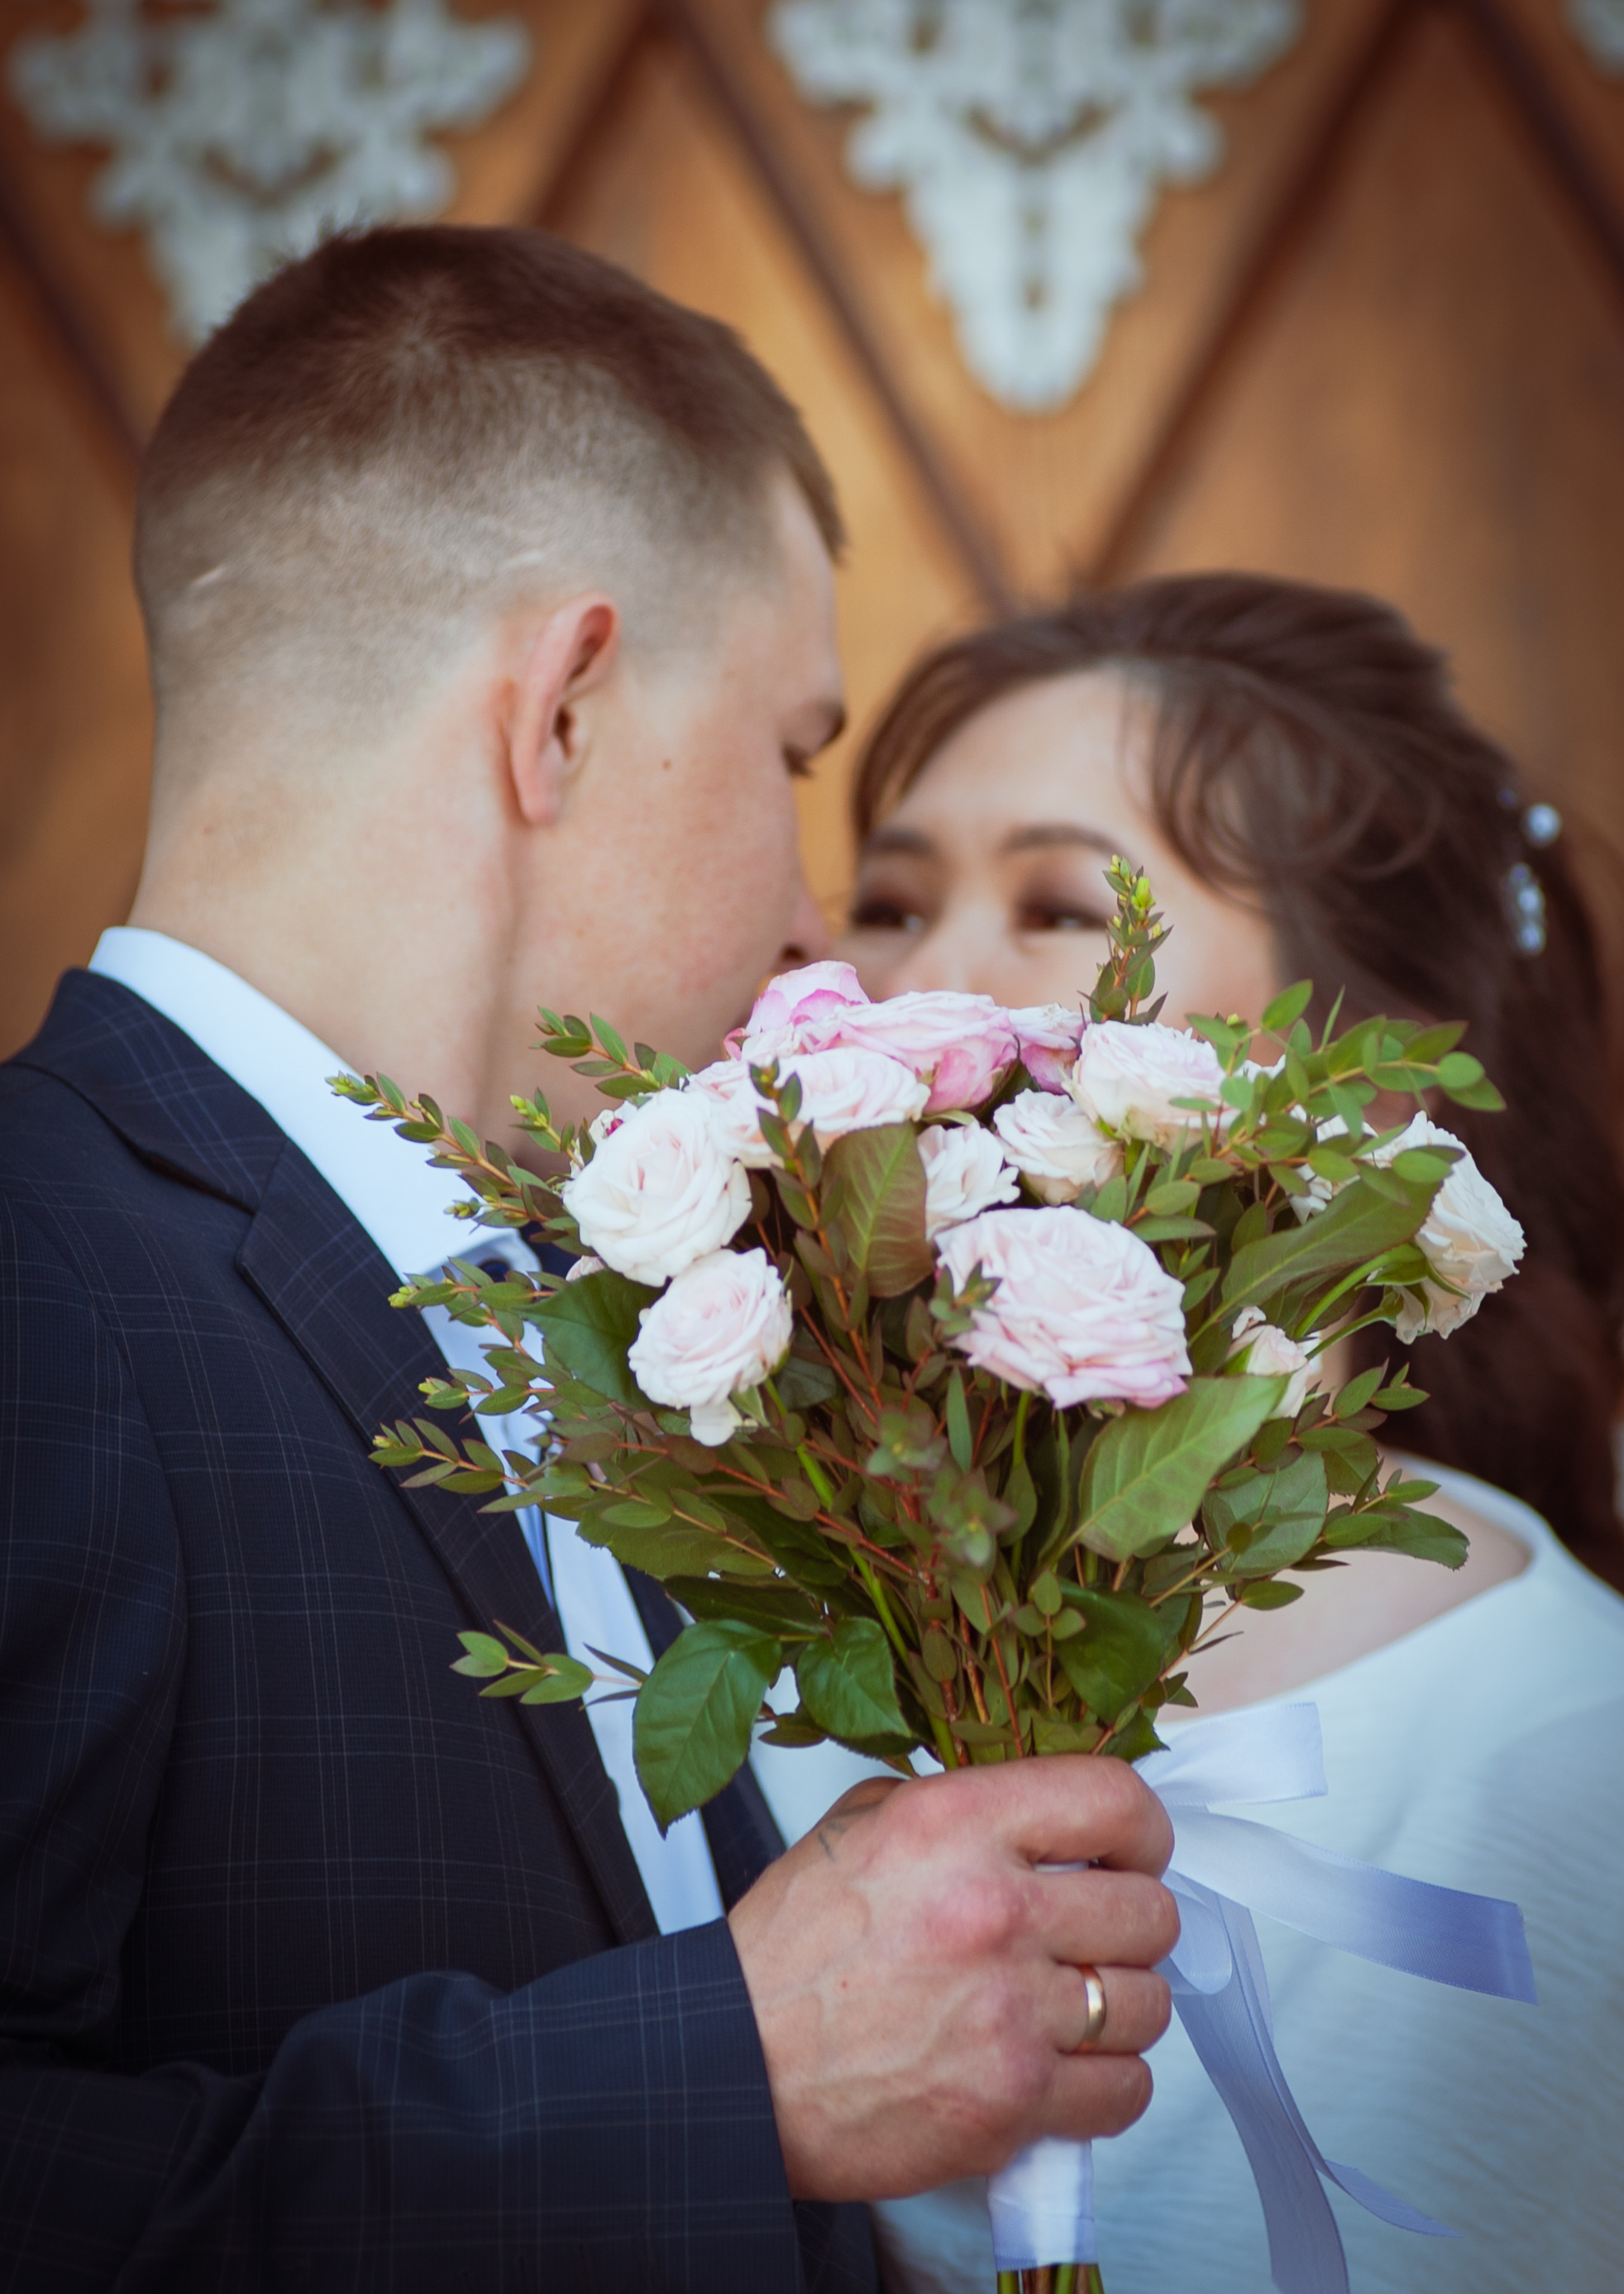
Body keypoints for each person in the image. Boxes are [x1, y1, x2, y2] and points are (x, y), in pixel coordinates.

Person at [0, 229, 1181, 2291]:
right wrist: (729, 2064)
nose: (820, 921)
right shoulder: (38, 1273)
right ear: (561, 712)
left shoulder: (587, 1326)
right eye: (793, 758)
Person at [836, 571, 1624, 2291]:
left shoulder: (1573, 1756)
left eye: (1057, 908)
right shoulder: (792, 1660)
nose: (925, 985)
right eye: (886, 906)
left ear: (1370, 1077)